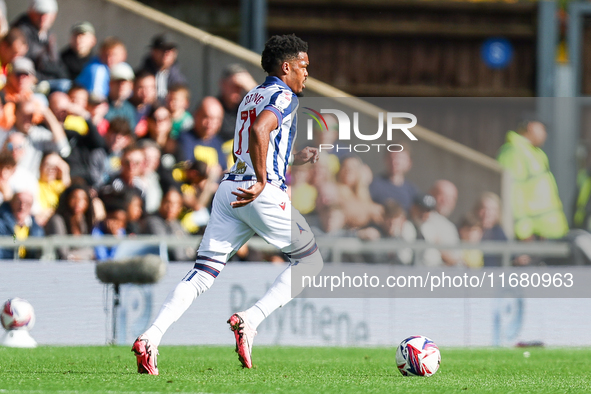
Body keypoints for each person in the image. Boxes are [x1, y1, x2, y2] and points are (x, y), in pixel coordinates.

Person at [132, 34, 323, 374]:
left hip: (229, 190)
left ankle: (150, 337)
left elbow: (258, 140)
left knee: (202, 274)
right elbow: (261, 132)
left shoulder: (252, 95)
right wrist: (265, 181)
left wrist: (292, 158)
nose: (306, 74)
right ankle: (251, 319)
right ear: (287, 67)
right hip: (260, 192)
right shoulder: (286, 96)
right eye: (304, 67)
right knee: (310, 263)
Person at [497, 116, 569, 241]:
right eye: (542, 129)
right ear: (531, 127)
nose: (545, 134)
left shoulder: (534, 153)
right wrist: (523, 231)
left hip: (546, 233)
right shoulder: (515, 151)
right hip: (532, 235)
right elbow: (513, 192)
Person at [12, 0, 69, 90]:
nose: (43, 18)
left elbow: (56, 63)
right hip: (27, 83)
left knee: (67, 85)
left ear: (54, 15)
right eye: (39, 13)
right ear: (30, 12)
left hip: (47, 80)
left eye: (47, 14)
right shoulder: (21, 32)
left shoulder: (48, 35)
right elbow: (21, 64)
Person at [45, 184, 95, 261]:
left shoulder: (84, 221)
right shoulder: (57, 220)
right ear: (67, 199)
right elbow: (62, 252)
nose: (78, 202)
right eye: (74, 197)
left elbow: (91, 250)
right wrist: (80, 256)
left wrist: (80, 256)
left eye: (83, 199)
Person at [142, 187, 194, 261]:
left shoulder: (177, 224)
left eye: (175, 204)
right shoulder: (153, 221)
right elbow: (168, 247)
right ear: (161, 202)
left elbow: (190, 248)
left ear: (180, 207)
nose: (170, 207)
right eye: (167, 202)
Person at [178, 96, 227, 169]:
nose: (210, 123)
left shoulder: (218, 144)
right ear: (196, 115)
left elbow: (223, 170)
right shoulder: (184, 140)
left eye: (215, 119)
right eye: (206, 117)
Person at [138, 34, 187, 100]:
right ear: (153, 51)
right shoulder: (141, 77)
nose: (166, 53)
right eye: (162, 49)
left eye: (170, 50)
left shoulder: (179, 80)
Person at [369, 147, 419, 212]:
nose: (394, 162)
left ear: (409, 162)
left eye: (399, 158)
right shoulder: (374, 185)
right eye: (391, 158)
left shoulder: (412, 191)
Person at [0, 189, 44, 259]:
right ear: (11, 203)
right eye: (18, 202)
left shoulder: (37, 229)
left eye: (27, 203)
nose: (22, 206)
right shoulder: (2, 225)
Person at [218, 64, 257, 142]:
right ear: (223, 84)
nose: (237, 90)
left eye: (240, 86)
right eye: (233, 85)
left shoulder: (248, 107)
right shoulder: (214, 107)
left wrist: (252, 87)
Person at [474, 192, 508, 267]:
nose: (487, 213)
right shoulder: (466, 229)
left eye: (491, 209)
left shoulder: (499, 234)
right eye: (484, 208)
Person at [105, 62, 136, 129]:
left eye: (124, 83)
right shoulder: (100, 106)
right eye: (117, 82)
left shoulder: (130, 109)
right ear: (110, 84)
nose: (121, 86)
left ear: (131, 85)